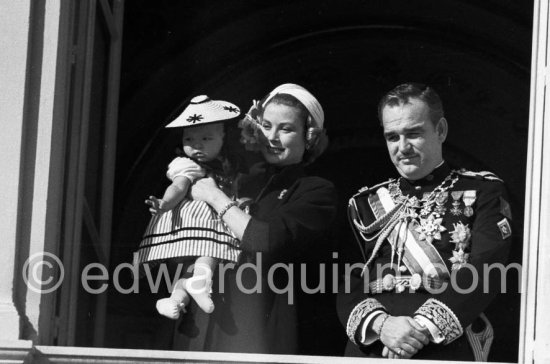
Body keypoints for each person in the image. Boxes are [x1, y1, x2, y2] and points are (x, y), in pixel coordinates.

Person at [337, 83, 512, 360]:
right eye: (392, 137)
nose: (402, 147)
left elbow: (485, 270)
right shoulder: (364, 205)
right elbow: (349, 280)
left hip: (442, 347)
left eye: (414, 134)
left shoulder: (483, 192)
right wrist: (382, 326)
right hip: (374, 347)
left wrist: (415, 332)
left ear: (440, 130)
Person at [172, 83, 337, 354]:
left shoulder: (315, 191)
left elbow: (265, 241)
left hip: (257, 334)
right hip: (200, 326)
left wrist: (216, 198)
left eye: (286, 129)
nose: (272, 137)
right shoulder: (238, 178)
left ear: (308, 137)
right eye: (266, 125)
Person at [135, 95, 243, 318]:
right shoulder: (187, 165)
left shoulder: (226, 166)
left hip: (206, 219)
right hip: (196, 219)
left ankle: (175, 299)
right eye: (190, 139)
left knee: (193, 265)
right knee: (209, 250)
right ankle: (198, 285)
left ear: (223, 137)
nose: (197, 145)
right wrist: (164, 203)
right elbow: (179, 186)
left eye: (206, 138)